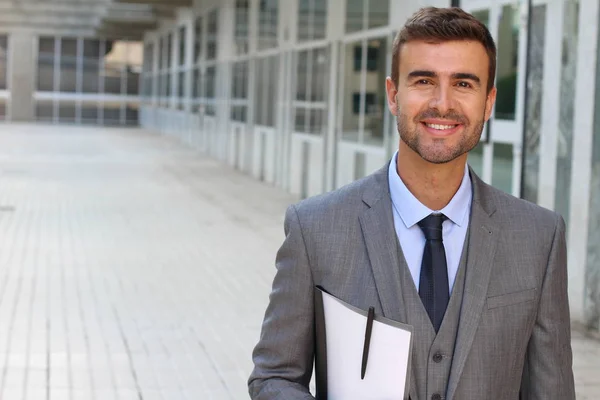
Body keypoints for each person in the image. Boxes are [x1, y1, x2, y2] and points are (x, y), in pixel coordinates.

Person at [248, 7, 576, 400]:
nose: (442, 103)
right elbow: (274, 377)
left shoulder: (539, 237)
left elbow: (552, 391)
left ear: (488, 102)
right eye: (424, 80)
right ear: (393, 94)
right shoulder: (314, 228)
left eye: (464, 84)